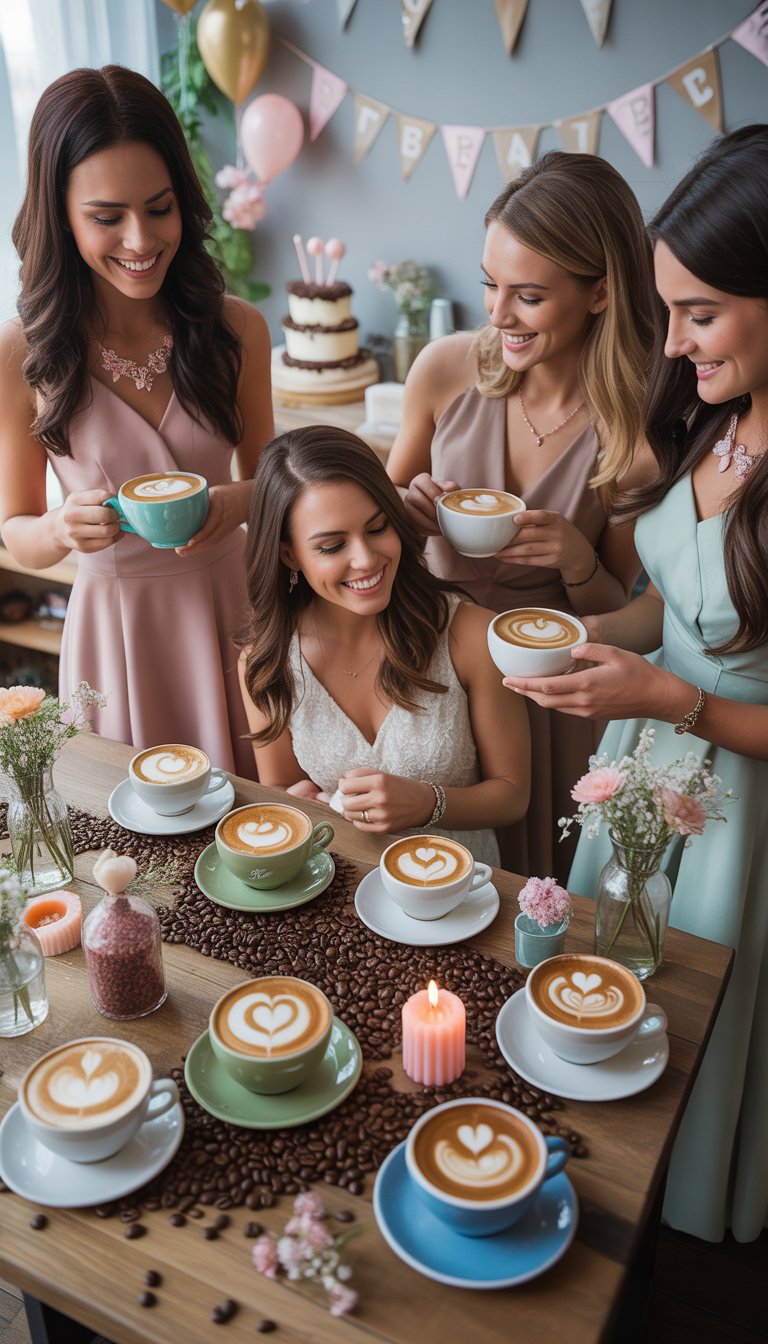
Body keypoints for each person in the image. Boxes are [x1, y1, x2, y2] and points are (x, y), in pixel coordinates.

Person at [504, 125, 768, 1244]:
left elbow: (707, 659)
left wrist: (670, 701)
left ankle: (677, 1232)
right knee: (611, 1005)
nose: (672, 343)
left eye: (697, 312)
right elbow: (682, 597)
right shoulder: (720, 416)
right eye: (666, 310)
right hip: (644, 767)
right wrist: (589, 642)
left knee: (694, 1019)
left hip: (736, 806)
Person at [387, 152, 657, 877]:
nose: (498, 315)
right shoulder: (444, 371)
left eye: (528, 296)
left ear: (599, 293)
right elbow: (366, 532)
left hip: (550, 704)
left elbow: (620, 615)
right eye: (490, 285)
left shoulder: (633, 437)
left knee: (538, 896)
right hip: (434, 680)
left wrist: (578, 560)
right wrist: (404, 517)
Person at [0, 66, 273, 775]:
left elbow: (282, 484)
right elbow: (16, 532)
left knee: (257, 836)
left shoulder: (238, 330)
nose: (140, 239)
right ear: (60, 211)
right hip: (112, 640)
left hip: (232, 616)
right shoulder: (19, 353)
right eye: (106, 216)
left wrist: (236, 503)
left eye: (159, 207)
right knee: (133, 854)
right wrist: (60, 529)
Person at [238, 426, 530, 866]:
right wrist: (304, 803)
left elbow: (512, 796)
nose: (367, 558)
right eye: (333, 545)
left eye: (378, 528)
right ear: (289, 556)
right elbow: (280, 788)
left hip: (462, 892)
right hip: (335, 889)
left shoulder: (470, 634)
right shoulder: (266, 662)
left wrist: (429, 804)